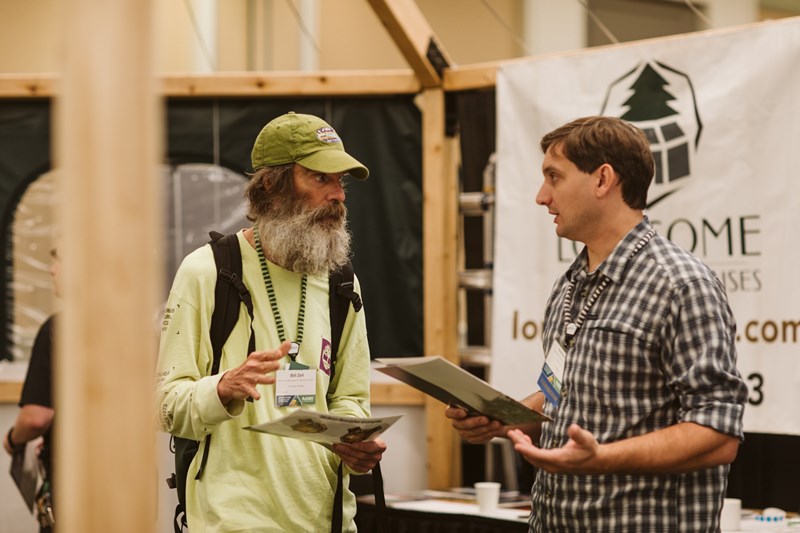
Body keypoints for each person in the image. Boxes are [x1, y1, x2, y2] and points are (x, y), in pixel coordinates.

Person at [446, 116, 748, 532]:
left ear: (603, 179)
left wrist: (601, 458)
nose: (541, 196)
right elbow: (558, 398)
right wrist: (500, 418)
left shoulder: (681, 283)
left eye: (554, 176)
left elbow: (718, 433)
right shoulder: (569, 285)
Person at [156, 111, 386, 532]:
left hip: (326, 519)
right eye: (321, 179)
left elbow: (351, 399)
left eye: (341, 182)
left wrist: (356, 446)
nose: (338, 195)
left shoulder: (340, 280)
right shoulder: (208, 272)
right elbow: (168, 407)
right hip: (230, 522)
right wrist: (222, 388)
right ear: (272, 186)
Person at [4, 247, 61, 532]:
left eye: (59, 261)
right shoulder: (139, 332)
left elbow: (36, 417)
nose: (52, 270)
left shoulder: (58, 329)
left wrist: (14, 439)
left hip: (73, 495)